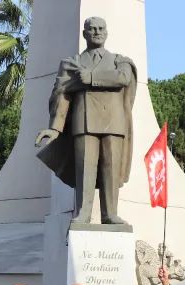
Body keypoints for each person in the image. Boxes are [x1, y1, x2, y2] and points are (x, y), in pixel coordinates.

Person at [35, 16, 136, 226]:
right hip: (84, 121)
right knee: (84, 169)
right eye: (92, 29)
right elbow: (61, 93)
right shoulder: (71, 63)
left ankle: (110, 214)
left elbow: (123, 78)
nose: (97, 32)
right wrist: (55, 128)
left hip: (113, 123)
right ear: (84, 34)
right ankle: (83, 213)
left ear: (106, 33)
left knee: (111, 169)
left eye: (101, 28)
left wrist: (89, 78)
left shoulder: (120, 61)